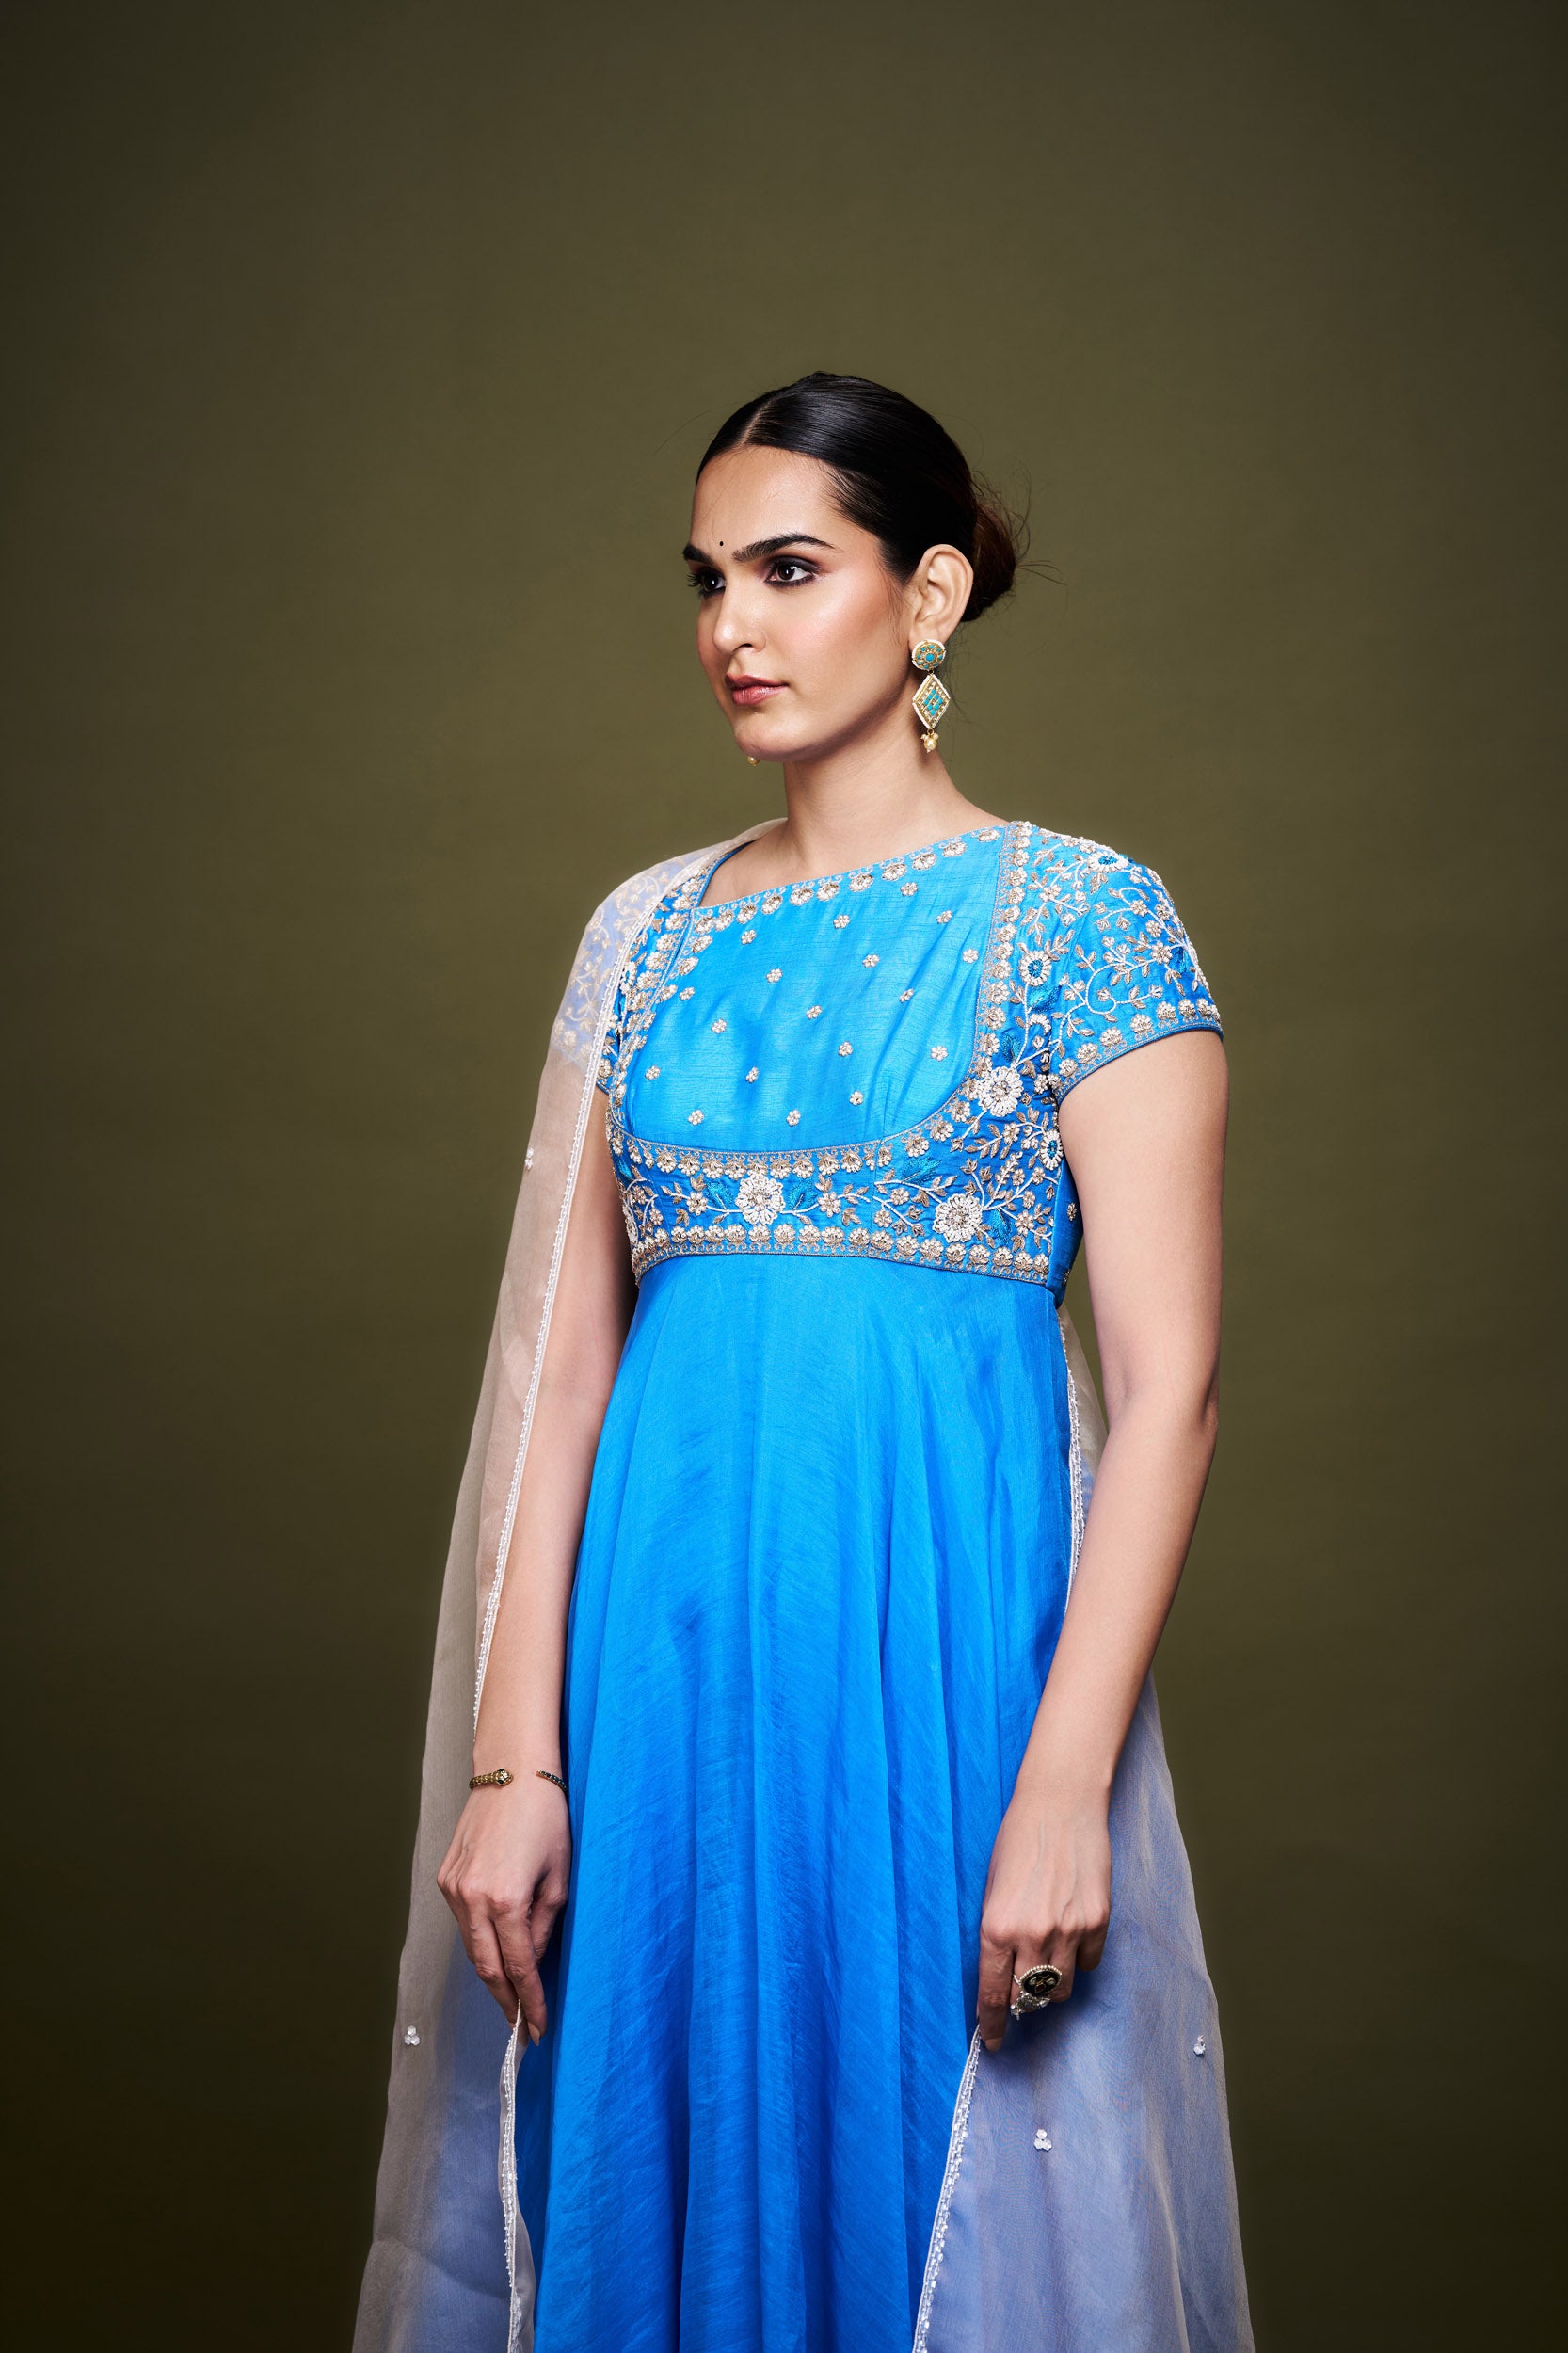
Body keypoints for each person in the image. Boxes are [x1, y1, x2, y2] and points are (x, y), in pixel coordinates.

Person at [355, 373, 1253, 2353]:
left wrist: (1062, 1790)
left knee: (916, 2181)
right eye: (707, 580)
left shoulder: (1081, 921)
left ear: (925, 595)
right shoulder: (643, 934)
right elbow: (559, 1384)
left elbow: (1168, 1391)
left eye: (786, 570)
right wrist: (515, 1763)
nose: (730, 628)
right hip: (656, 1683)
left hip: (941, 1673)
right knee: (646, 2181)